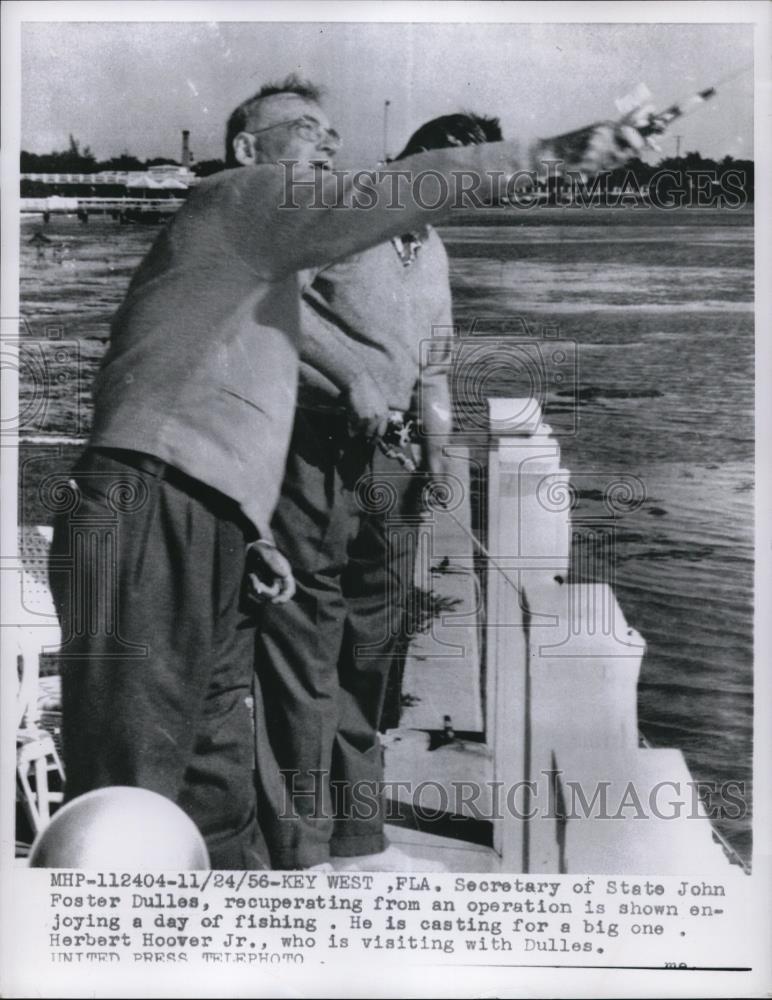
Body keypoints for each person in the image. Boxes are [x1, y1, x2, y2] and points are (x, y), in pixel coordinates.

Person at [48, 73, 654, 869]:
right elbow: (404, 189)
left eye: (331, 130)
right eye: (303, 125)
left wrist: (253, 528)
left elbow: (241, 383)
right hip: (155, 499)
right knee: (131, 791)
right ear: (245, 149)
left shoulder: (269, 256)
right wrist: (556, 152)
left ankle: (249, 946)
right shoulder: (241, 198)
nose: (327, 139)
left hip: (216, 513)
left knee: (211, 774)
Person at [254, 112, 503, 872]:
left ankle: (360, 839)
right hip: (314, 448)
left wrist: (438, 454)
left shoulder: (431, 247)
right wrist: (345, 378)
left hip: (389, 464)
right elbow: (266, 310)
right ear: (413, 159)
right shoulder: (341, 216)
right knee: (305, 644)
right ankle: (300, 849)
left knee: (369, 647)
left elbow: (433, 364)